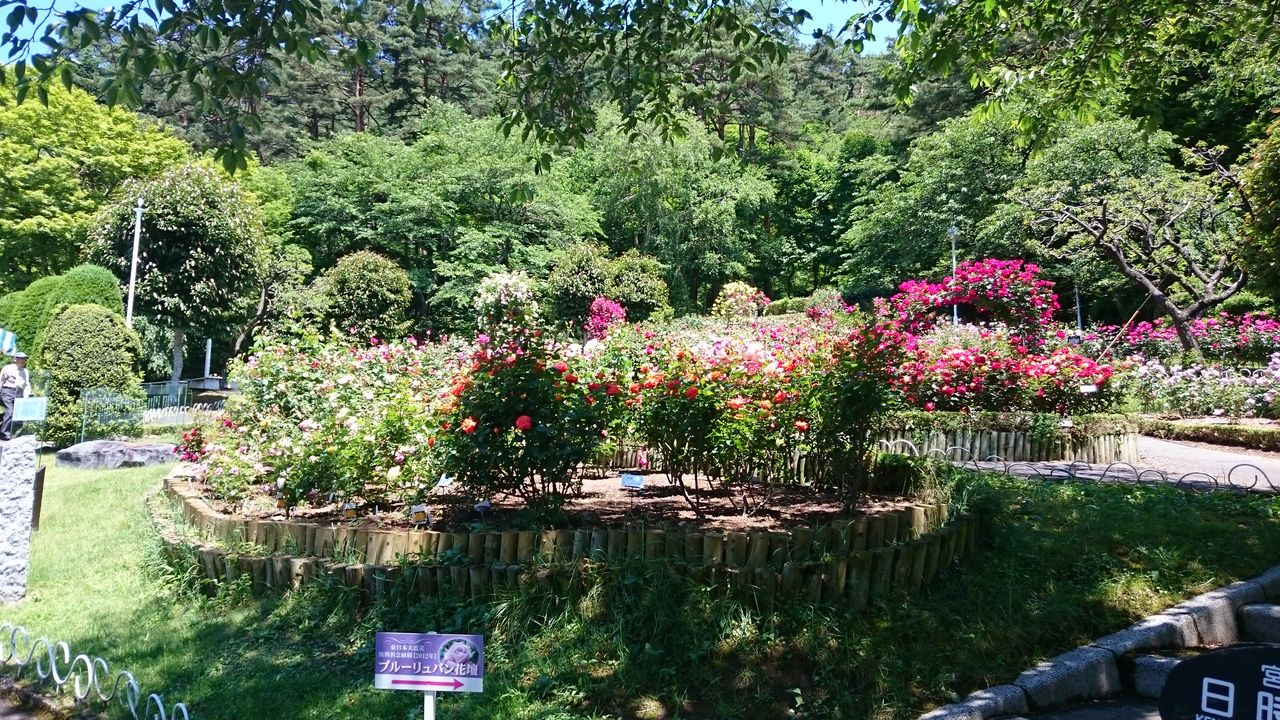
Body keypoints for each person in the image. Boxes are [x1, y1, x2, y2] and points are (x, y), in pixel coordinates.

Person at [0, 351, 32, 441]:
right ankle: (4, 434)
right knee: (9, 412)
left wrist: (27, 396)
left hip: (19, 393)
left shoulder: (25, 371)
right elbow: (1, 380)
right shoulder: (7, 368)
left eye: (24, 359)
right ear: (15, 359)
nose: (23, 361)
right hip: (8, 391)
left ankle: (8, 430)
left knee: (15, 414)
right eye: (21, 359)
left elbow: (26, 384)